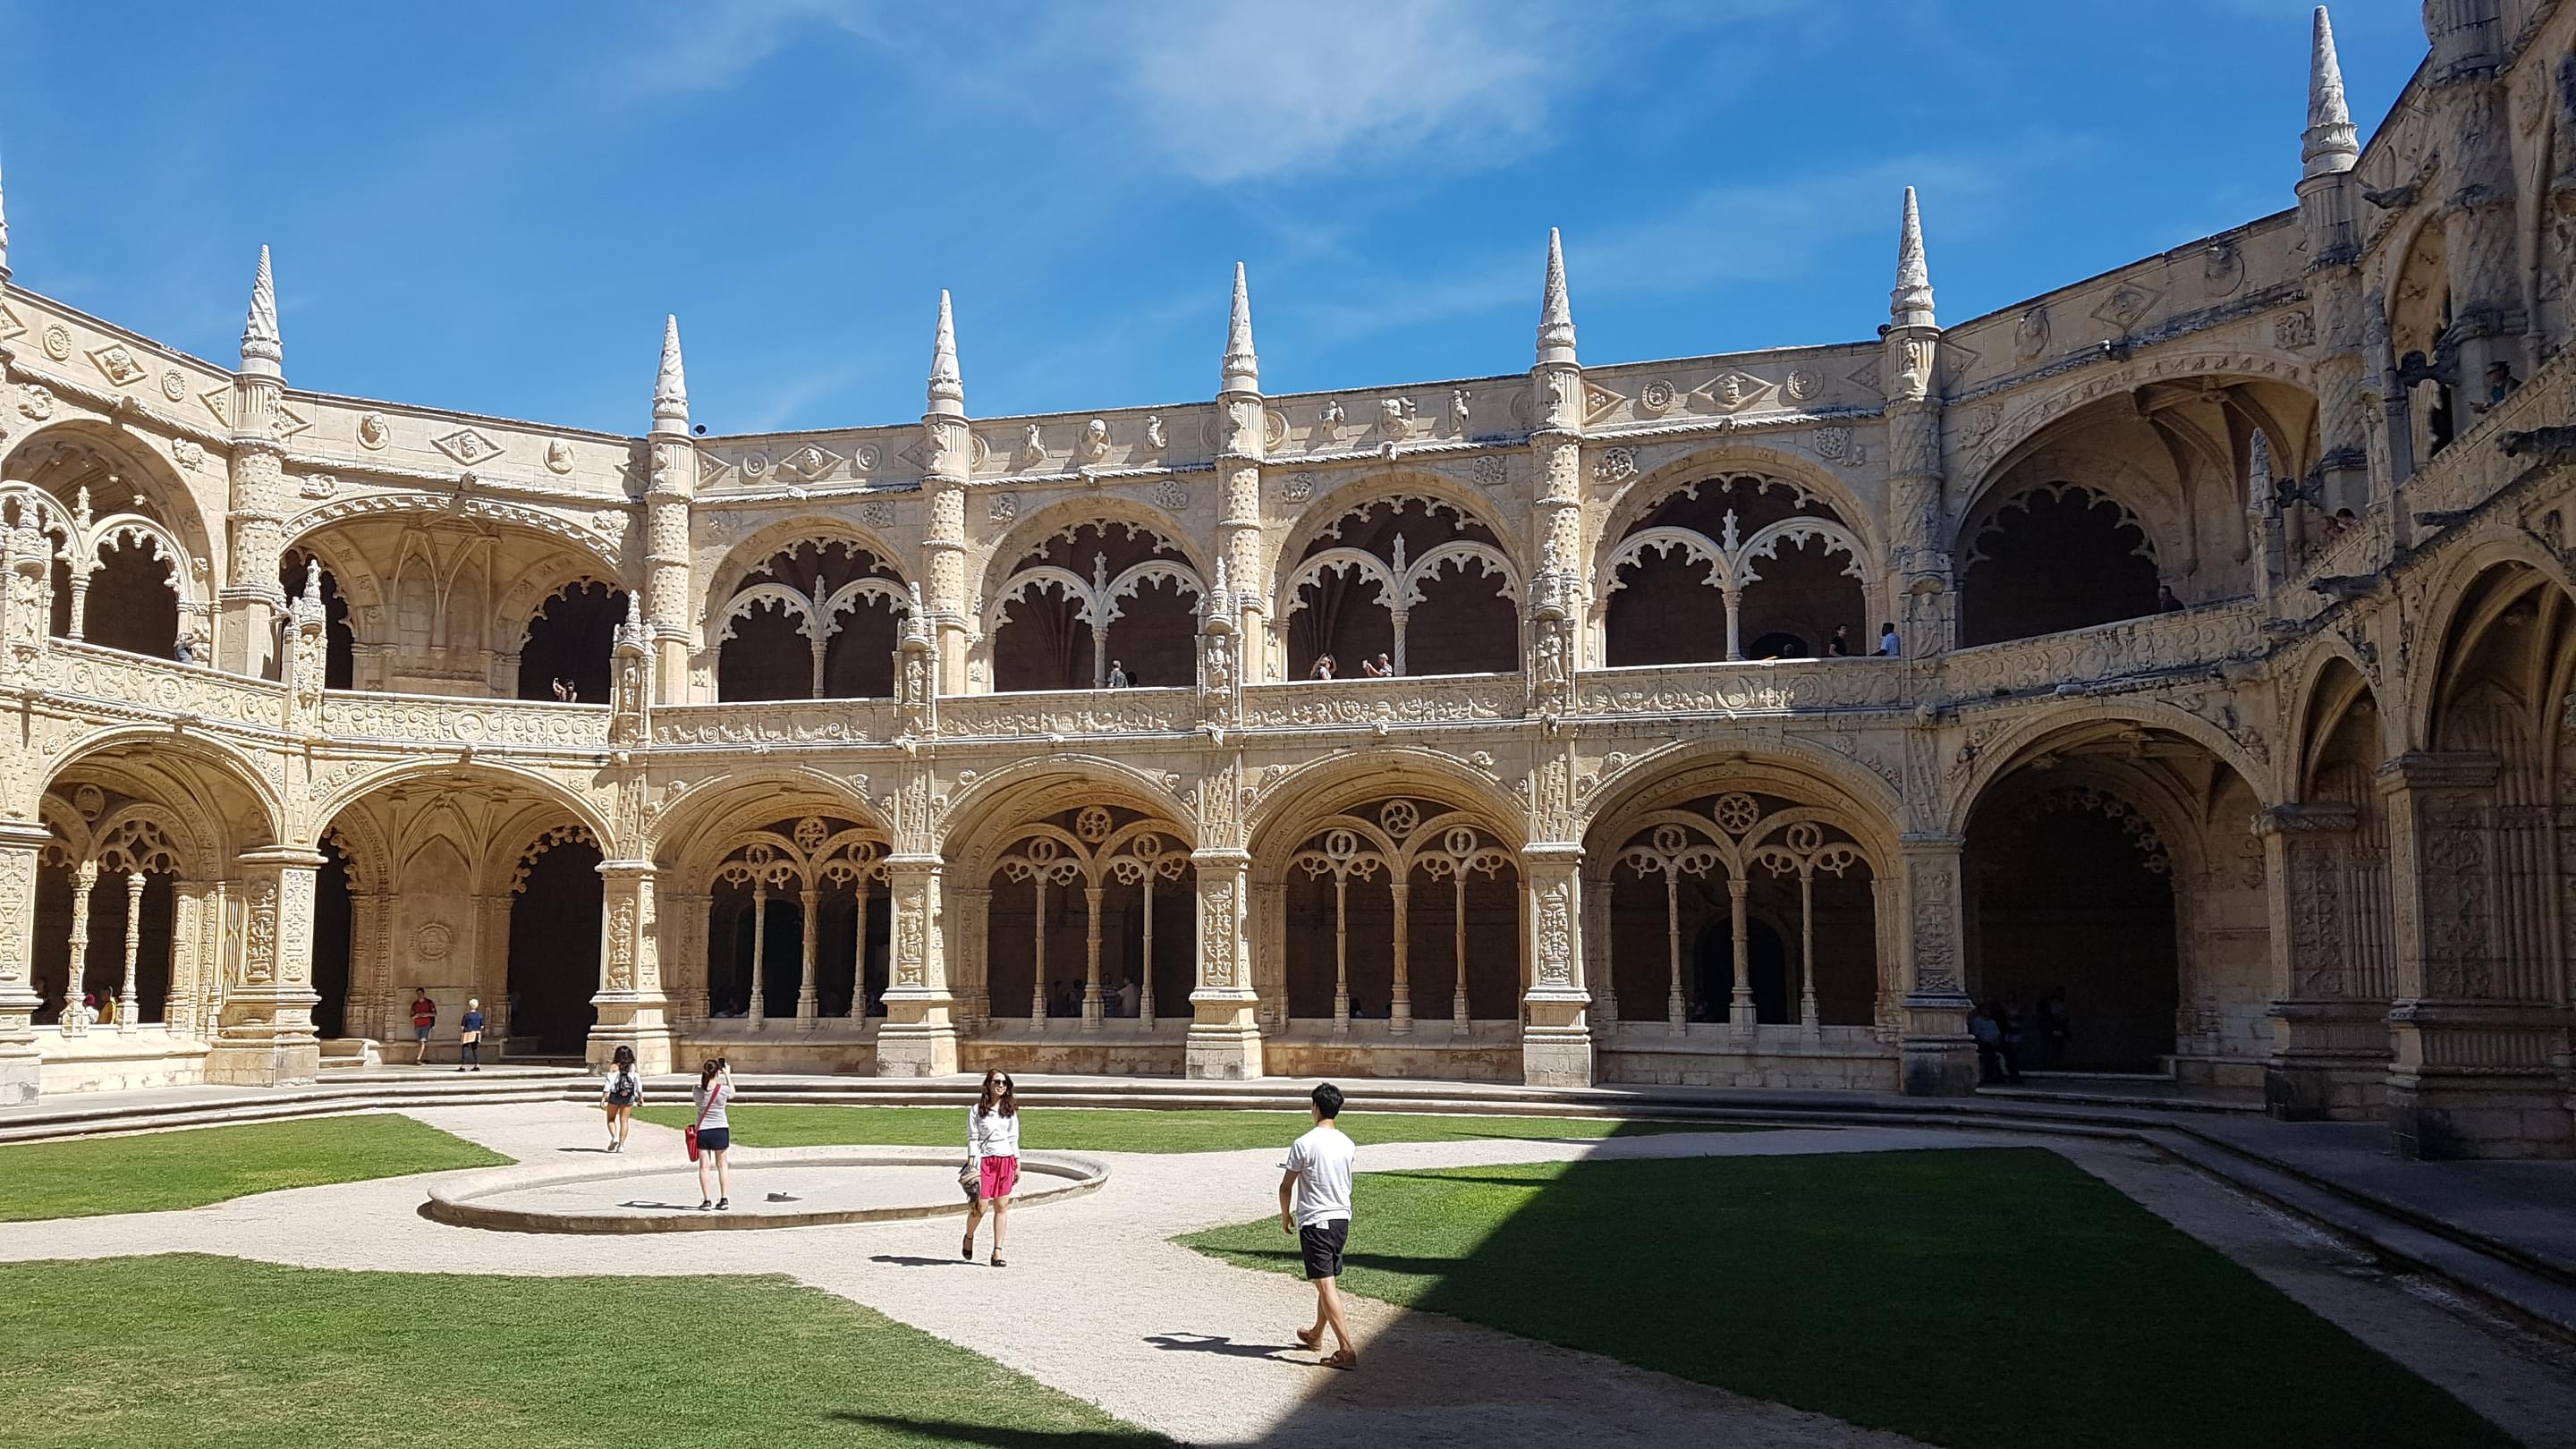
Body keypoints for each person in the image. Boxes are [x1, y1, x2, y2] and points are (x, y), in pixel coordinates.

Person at [1281, 1081, 1359, 1370]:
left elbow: (1286, 1185)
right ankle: (1316, 1335)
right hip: (1341, 1219)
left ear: (1315, 1107)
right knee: (1328, 1283)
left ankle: (1346, 1349)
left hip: (1316, 1220)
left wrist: (1285, 1214)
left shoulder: (1305, 1143)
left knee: (1325, 1285)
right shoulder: (1348, 1143)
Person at [962, 1068, 1020, 1267]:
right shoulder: (977, 1110)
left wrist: (1017, 1163)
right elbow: (973, 1138)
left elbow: (1013, 1138)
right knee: (981, 1206)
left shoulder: (1009, 1109)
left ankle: (997, 1251)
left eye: (1004, 1083)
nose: (1001, 1086)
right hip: (985, 1160)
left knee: (1002, 1206)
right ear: (988, 1085)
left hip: (1006, 1159)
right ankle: (969, 1236)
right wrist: (971, 1164)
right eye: (997, 1082)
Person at [692, 1056, 735, 1211]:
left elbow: (700, 1101)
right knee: (722, 1165)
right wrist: (728, 1075)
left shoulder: (696, 1089)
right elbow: (732, 1094)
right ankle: (724, 1199)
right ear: (717, 1072)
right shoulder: (722, 1089)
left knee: (704, 1167)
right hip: (720, 1129)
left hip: (703, 1130)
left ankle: (707, 1200)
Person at [601, 1044, 642, 1152]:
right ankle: (621, 1145)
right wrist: (640, 1096)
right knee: (624, 1121)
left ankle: (614, 1137)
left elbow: (608, 1084)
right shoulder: (633, 1067)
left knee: (611, 1119)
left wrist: (603, 1098)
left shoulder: (613, 1067)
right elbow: (638, 1083)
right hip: (628, 1096)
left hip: (615, 1095)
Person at [1968, 1004, 2008, 1085]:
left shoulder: (1992, 1022)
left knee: (2009, 1051)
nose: (1988, 1012)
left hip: (1995, 1043)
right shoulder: (1977, 1021)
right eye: (1986, 1009)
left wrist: (1997, 1041)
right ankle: (1989, 1077)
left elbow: (1998, 1034)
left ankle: (2013, 1075)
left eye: (1989, 1010)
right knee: (1990, 1053)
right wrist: (1988, 1042)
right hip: (1983, 1044)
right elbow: (1977, 1035)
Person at [2039, 987, 2071, 1070]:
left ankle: (2057, 1063)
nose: (2061, 995)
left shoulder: (2064, 1003)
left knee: (2059, 1047)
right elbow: (2054, 1016)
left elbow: (2065, 1016)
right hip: (2054, 1027)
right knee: (2053, 1046)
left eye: (2062, 993)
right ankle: (2050, 1064)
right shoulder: (2053, 1003)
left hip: (2061, 1027)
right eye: (2059, 993)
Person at [457, 997, 485, 1072]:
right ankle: (477, 1065)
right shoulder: (479, 1015)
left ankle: (463, 1066)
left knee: (465, 1048)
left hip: (467, 1032)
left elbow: (462, 1026)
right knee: (475, 1048)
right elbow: (482, 1026)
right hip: (476, 1033)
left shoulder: (466, 1015)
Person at [411, 990, 436, 1063]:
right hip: (417, 1024)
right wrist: (417, 1015)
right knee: (420, 1042)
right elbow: (412, 1016)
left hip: (426, 1024)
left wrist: (426, 1014)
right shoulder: (415, 1004)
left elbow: (435, 1013)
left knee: (422, 1041)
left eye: (421, 993)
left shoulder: (429, 1002)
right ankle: (425, 1057)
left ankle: (418, 1059)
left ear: (423, 994)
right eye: (418, 994)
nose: (419, 995)